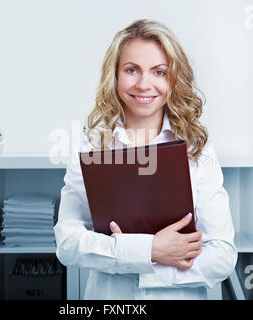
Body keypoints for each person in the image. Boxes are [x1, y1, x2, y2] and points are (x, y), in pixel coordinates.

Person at [53, 19, 237, 300]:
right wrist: (151, 250)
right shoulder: (93, 146)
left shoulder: (197, 149)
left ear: (174, 79)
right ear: (114, 75)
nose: (144, 84)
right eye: (131, 70)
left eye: (159, 72)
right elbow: (68, 244)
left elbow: (222, 254)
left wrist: (135, 265)